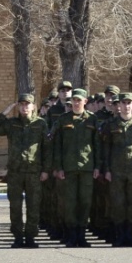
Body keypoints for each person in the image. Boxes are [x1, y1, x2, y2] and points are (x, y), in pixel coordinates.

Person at [0, 93, 48, 248]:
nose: (24, 107)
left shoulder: (40, 124)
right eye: (21, 104)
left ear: (33, 106)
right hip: (15, 172)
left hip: (34, 171)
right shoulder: (12, 124)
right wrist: (5, 112)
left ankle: (31, 237)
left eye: (27, 104)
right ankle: (18, 236)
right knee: (15, 205)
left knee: (34, 205)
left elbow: (47, 149)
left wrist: (46, 170)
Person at [50, 88, 100, 247]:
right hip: (69, 168)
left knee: (85, 202)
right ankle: (71, 235)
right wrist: (58, 167)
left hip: (87, 168)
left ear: (85, 101)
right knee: (70, 203)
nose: (76, 103)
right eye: (74, 101)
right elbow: (57, 145)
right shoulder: (63, 120)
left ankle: (82, 235)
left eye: (79, 100)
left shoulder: (93, 120)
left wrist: (98, 166)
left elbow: (97, 145)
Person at [99, 92, 132, 247]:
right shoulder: (110, 124)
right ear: (118, 105)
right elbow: (105, 148)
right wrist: (106, 169)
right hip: (116, 169)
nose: (126, 106)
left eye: (129, 103)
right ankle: (120, 235)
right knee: (117, 203)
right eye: (123, 103)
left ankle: (130, 234)